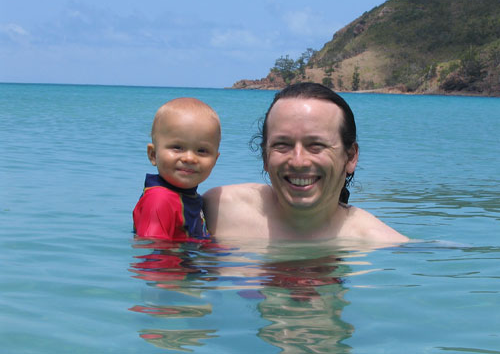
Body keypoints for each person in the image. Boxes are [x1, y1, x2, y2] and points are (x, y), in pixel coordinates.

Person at [203, 83, 408, 242]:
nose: (298, 161)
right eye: (282, 144)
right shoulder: (218, 209)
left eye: (316, 145)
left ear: (351, 157)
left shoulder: (380, 245)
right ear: (265, 157)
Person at [133, 98, 221, 241]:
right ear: (153, 155)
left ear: (215, 160)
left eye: (202, 150)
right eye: (177, 147)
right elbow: (153, 253)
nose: (189, 158)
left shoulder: (186, 196)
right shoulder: (159, 200)